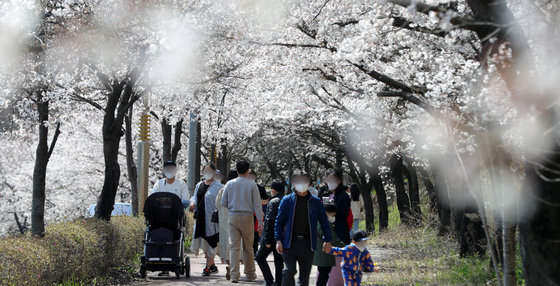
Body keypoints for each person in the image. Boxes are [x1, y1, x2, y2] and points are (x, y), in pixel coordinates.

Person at [275, 173, 333, 286]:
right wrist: (278, 240)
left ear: (309, 184)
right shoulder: (287, 200)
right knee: (289, 270)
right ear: (293, 184)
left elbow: (324, 221)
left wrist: (328, 239)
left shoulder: (315, 202)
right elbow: (279, 221)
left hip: (307, 244)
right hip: (289, 243)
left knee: (304, 278)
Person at [220, 161, 264, 283]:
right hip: (247, 217)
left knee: (234, 247)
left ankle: (235, 275)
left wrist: (233, 205)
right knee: (248, 247)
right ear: (248, 170)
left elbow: (223, 202)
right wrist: (260, 220)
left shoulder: (229, 184)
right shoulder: (252, 184)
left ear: (237, 170)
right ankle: (250, 274)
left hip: (233, 216)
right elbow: (257, 204)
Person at [149, 160, 191, 276]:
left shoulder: (181, 184)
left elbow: (186, 200)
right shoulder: (159, 184)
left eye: (172, 169)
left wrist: (185, 203)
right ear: (164, 170)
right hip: (159, 218)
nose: (170, 171)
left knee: (175, 234)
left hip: (175, 218)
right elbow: (153, 198)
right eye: (167, 169)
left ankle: (173, 257)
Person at [189, 164, 223, 276]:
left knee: (211, 243)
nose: (208, 172)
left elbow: (223, 202)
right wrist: (192, 203)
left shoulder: (219, 187)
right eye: (206, 170)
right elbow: (194, 197)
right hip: (200, 219)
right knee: (204, 244)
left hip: (212, 220)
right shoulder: (199, 185)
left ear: (214, 172)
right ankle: (212, 265)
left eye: (210, 170)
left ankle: (208, 267)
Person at [255, 179, 285, 286]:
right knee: (279, 262)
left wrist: (267, 239)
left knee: (259, 257)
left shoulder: (273, 202)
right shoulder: (285, 200)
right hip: (282, 236)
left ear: (272, 190)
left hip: (271, 236)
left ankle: (269, 281)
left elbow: (270, 220)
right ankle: (278, 282)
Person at [313, 203, 345, 286]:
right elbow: (332, 237)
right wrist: (343, 246)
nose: (332, 217)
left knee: (323, 273)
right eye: (332, 215)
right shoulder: (323, 222)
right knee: (324, 273)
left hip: (320, 250)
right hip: (324, 252)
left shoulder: (317, 219)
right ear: (327, 212)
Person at [215, 169, 239, 280]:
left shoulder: (222, 190)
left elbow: (217, 204)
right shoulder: (239, 189)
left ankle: (230, 264)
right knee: (235, 245)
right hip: (237, 219)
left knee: (227, 243)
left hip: (224, 221)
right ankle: (234, 267)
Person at [324, 169, 351, 245]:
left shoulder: (344, 196)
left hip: (340, 231)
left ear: (339, 181)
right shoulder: (326, 195)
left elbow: (344, 214)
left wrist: (334, 210)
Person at [248, 169, 269, 254]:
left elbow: (266, 200)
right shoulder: (244, 187)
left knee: (256, 233)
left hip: (257, 213)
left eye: (252, 176)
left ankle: (254, 251)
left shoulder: (260, 188)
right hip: (246, 213)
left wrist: (258, 202)